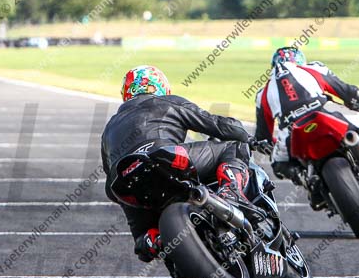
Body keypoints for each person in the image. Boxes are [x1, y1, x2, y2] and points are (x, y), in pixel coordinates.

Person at [101, 65, 252, 262]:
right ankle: (231, 191)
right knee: (232, 146)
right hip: (164, 158)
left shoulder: (109, 127)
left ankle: (150, 240)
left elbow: (109, 173)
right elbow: (216, 124)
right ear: (161, 86)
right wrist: (245, 135)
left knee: (140, 233)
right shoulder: (167, 102)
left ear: (127, 93)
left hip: (126, 182)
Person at [254, 47, 359, 183]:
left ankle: (305, 180)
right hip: (326, 114)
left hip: (290, 132)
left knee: (279, 164)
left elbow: (263, 138)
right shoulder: (314, 68)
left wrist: (271, 146)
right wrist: (354, 104)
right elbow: (350, 93)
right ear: (301, 61)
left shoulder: (262, 94)